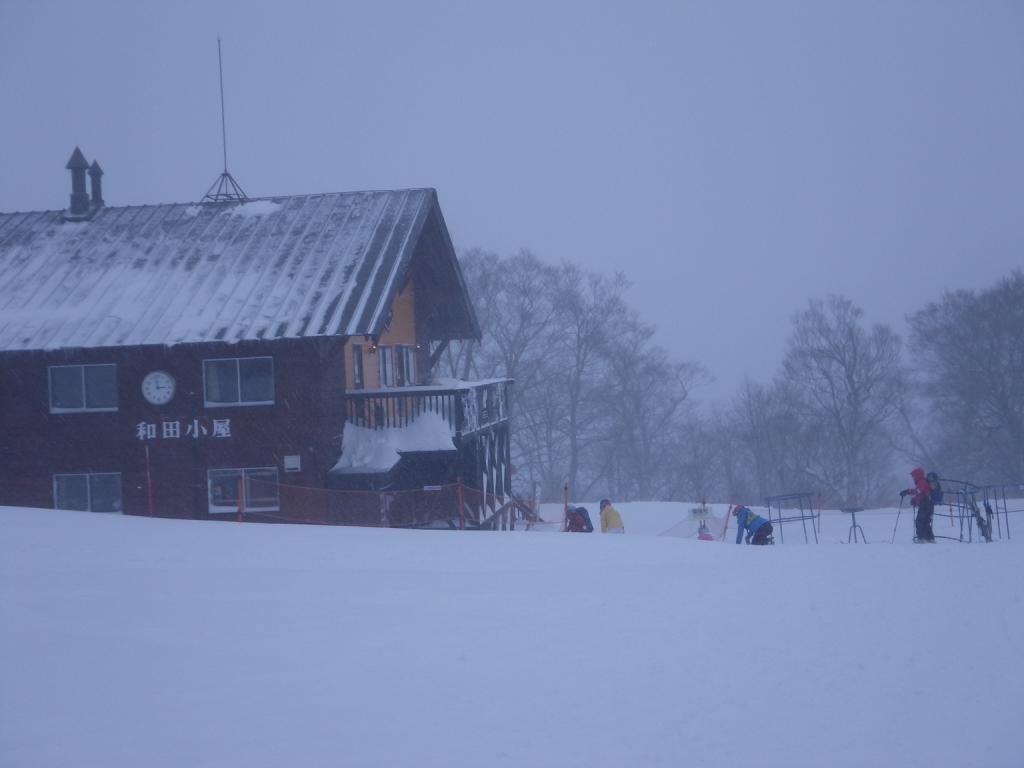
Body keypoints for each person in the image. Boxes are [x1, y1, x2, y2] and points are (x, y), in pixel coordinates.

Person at [900, 467, 934, 542]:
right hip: (928, 504)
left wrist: (907, 491)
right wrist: (915, 501)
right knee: (925, 521)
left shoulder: (922, 482)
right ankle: (930, 538)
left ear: (918, 475)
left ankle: (921, 538)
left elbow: (918, 491)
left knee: (920, 521)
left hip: (925, 504)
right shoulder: (923, 482)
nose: (913, 478)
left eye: (914, 476)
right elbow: (922, 494)